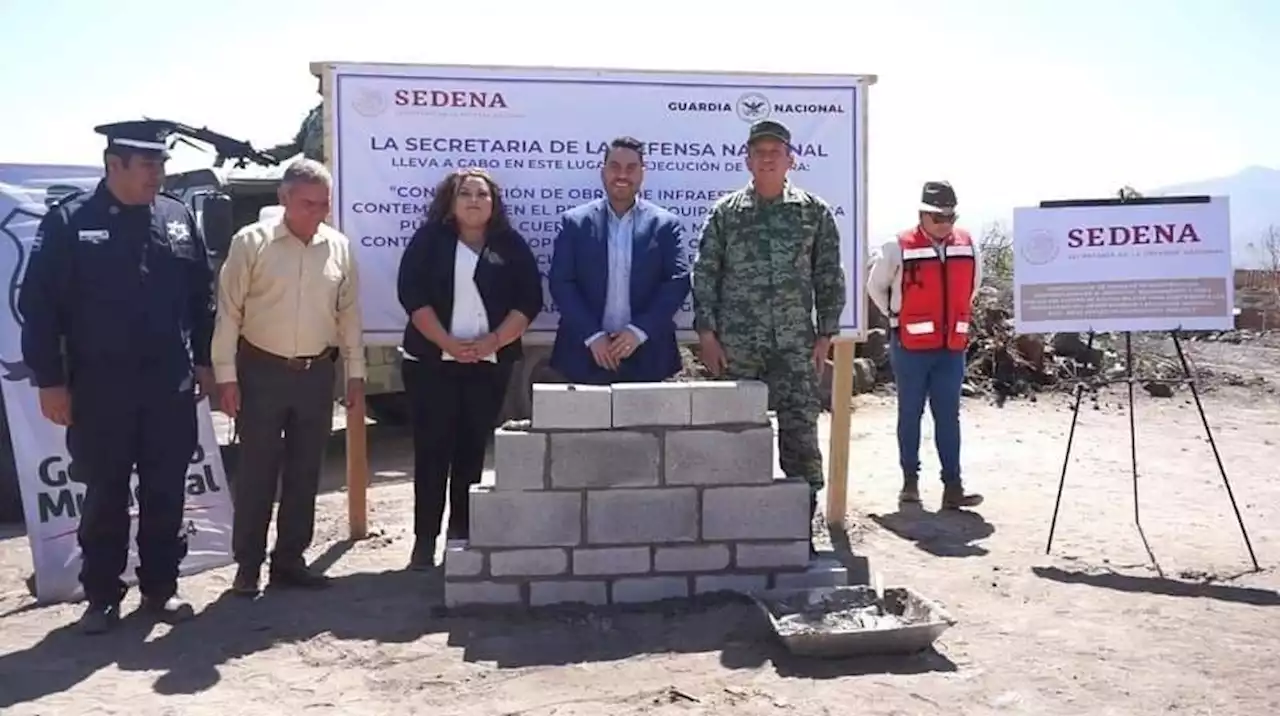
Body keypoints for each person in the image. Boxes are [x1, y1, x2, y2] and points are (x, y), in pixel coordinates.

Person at [18, 119, 217, 633]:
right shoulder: (69, 221)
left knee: (166, 490)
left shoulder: (174, 216)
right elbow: (38, 306)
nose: (158, 175)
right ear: (115, 166)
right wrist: (50, 380)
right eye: (149, 165)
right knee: (105, 492)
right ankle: (102, 595)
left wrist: (205, 362)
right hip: (100, 388)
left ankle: (160, 589)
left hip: (168, 385)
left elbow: (202, 295)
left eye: (161, 165)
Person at [211, 158, 365, 595]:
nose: (315, 213)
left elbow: (349, 314)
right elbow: (229, 312)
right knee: (257, 470)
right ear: (283, 200)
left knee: (306, 470)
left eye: (323, 205)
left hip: (317, 374)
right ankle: (248, 565)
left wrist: (355, 374)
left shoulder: (338, 247)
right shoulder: (251, 242)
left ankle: (290, 560)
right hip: (261, 370)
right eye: (307, 203)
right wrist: (227, 376)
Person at [691, 119, 846, 548]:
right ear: (747, 159)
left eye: (775, 151)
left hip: (795, 347)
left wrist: (825, 335)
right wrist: (707, 334)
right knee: (734, 437)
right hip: (738, 348)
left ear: (790, 158)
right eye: (759, 151)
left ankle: (800, 531)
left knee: (800, 438)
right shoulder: (726, 214)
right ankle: (735, 530)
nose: (767, 157)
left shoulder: (813, 212)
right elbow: (705, 274)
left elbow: (828, 275)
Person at [396, 168, 542, 569]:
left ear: (494, 203)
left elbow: (529, 301)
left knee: (470, 452)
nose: (474, 200)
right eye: (466, 194)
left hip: (488, 365)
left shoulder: (509, 245)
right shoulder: (430, 240)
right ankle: (424, 541)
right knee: (431, 452)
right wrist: (446, 343)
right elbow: (411, 292)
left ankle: (461, 536)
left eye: (483, 194)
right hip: (430, 364)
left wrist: (492, 342)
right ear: (451, 201)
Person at [867, 181, 984, 510]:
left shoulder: (968, 244)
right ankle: (910, 483)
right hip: (910, 347)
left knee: (948, 416)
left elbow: (972, 287)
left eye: (951, 216)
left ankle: (953, 487)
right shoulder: (897, 246)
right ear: (922, 214)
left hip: (951, 347)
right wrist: (895, 316)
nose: (946, 223)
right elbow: (876, 287)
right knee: (910, 414)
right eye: (938, 217)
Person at [548, 136, 690, 384]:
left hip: (648, 354)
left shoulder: (665, 225)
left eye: (631, 167)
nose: (622, 175)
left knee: (645, 424)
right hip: (585, 354)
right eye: (614, 166)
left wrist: (638, 332)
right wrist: (592, 336)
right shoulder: (575, 223)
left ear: (642, 173)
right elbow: (562, 283)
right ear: (603, 171)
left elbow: (677, 282)